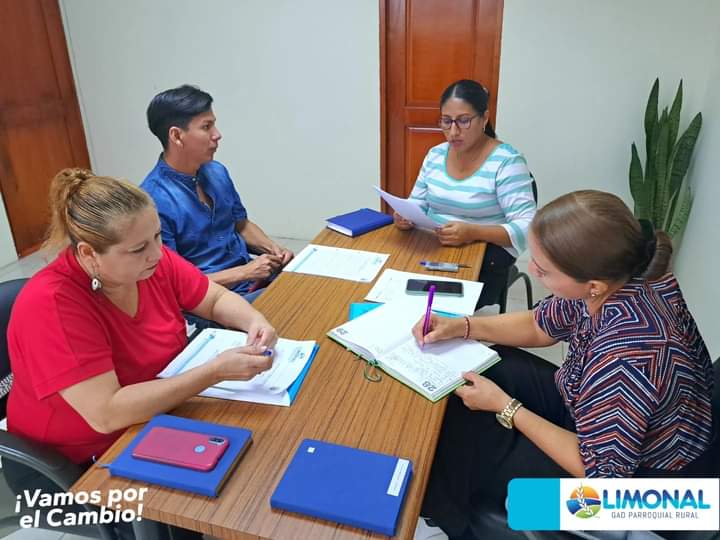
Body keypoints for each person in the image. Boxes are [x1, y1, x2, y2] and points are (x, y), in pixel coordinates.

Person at [414, 190, 715, 539]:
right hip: (603, 419)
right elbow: (539, 325)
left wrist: (508, 408)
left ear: (593, 285)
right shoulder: (616, 280)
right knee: (496, 366)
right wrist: (463, 326)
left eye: (543, 270)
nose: (531, 269)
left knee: (481, 452)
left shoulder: (625, 360)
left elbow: (601, 475)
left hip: (639, 488)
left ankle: (456, 518)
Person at [6, 169, 277, 539]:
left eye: (158, 236)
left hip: (148, 421)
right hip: (73, 470)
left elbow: (212, 298)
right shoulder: (51, 304)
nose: (156, 254)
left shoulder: (151, 261)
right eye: (138, 249)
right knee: (194, 511)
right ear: (88, 254)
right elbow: (107, 414)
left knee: (250, 465)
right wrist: (213, 372)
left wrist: (254, 320)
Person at [141, 84, 293, 308]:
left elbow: (240, 225)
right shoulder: (152, 201)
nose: (217, 135)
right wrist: (244, 272)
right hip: (212, 302)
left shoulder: (216, 171)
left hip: (252, 281)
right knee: (300, 305)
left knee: (317, 284)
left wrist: (272, 248)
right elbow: (173, 284)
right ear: (176, 135)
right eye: (206, 127)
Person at [393, 79, 536, 308]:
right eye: (446, 121)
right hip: (432, 246)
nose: (453, 132)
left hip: (484, 254)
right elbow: (418, 201)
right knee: (393, 290)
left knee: (434, 306)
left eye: (464, 121)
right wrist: (405, 215)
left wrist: (472, 232)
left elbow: (528, 227)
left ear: (484, 118)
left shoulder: (507, 162)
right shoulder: (435, 155)